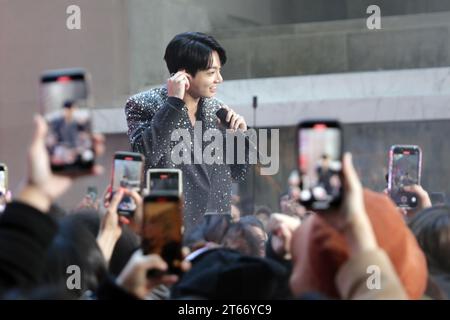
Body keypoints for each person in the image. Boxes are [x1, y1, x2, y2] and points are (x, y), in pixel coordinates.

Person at [125, 32, 249, 238]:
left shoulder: (217, 110)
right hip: (164, 227)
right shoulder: (142, 104)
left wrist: (238, 137)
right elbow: (144, 157)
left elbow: (237, 174)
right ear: (184, 75)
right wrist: (174, 103)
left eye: (219, 71)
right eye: (211, 72)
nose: (219, 79)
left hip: (211, 231)